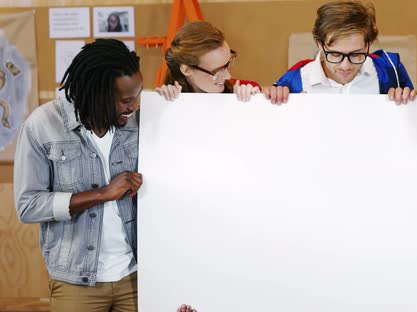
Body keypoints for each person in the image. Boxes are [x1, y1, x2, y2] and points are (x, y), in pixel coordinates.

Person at [14, 39, 143, 311]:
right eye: (126, 100)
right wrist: (102, 194)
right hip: (76, 282)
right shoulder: (42, 126)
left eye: (138, 96)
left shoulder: (138, 123)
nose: (134, 107)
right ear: (98, 96)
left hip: (136, 275)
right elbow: (28, 206)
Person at [268, 0, 416, 104]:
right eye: (335, 55)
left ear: (369, 44)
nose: (345, 66)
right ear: (319, 44)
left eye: (356, 54)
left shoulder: (389, 71)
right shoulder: (294, 82)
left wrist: (405, 103)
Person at [155, 21, 272, 103]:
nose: (228, 76)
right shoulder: (171, 100)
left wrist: (255, 105)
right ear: (186, 70)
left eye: (228, 63)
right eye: (217, 71)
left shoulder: (246, 89)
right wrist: (166, 105)